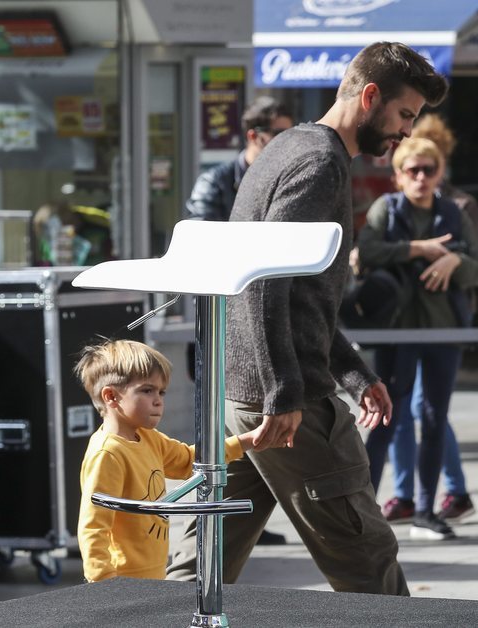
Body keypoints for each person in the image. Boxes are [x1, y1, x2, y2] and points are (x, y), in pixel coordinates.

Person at [167, 42, 448, 595]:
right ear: (370, 96)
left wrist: (354, 374)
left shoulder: (289, 145)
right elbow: (262, 280)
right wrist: (284, 392)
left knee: (202, 562)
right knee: (366, 557)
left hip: (243, 396)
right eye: (405, 115)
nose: (406, 133)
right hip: (278, 403)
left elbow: (302, 298)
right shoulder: (320, 161)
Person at [358, 137, 478, 540]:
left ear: (439, 174)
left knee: (433, 418)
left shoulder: (453, 211)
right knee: (384, 420)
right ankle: (362, 513)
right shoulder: (386, 209)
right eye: (412, 170)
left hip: (443, 331)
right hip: (395, 332)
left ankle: (426, 512)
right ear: (397, 176)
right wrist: (417, 249)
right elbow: (367, 251)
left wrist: (454, 260)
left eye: (428, 169)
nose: (420, 177)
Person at [183, 97, 295, 546]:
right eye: (278, 137)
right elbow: (206, 240)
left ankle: (247, 517)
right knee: (216, 419)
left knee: (246, 427)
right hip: (222, 317)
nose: (286, 147)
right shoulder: (216, 181)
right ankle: (211, 513)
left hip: (261, 315)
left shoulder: (280, 179)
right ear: (254, 136)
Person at [74, 339, 266, 582]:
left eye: (161, 392)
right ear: (111, 396)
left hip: (154, 573)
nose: (158, 400)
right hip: (121, 579)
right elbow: (93, 526)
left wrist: (245, 442)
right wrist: (103, 581)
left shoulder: (148, 438)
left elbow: (188, 460)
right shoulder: (108, 454)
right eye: (147, 390)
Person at [184, 96, 294, 222]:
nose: (287, 141)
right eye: (279, 134)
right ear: (253, 136)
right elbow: (200, 231)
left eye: (291, 134)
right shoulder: (214, 182)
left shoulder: (289, 178)